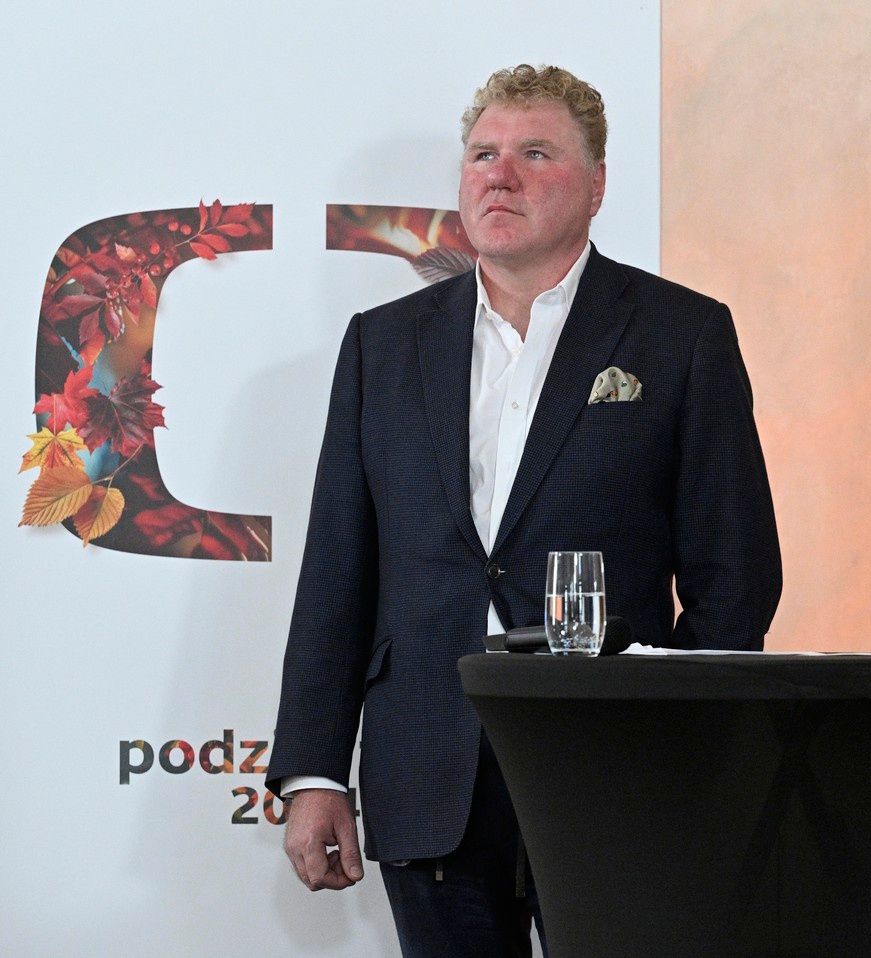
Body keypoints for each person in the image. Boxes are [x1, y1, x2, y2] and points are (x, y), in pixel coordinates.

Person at [266, 64, 782, 956]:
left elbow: (734, 573)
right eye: (482, 155)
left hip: (618, 776)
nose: (498, 176)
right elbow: (337, 572)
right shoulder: (383, 345)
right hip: (428, 770)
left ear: (597, 184)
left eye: (534, 153)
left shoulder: (682, 333)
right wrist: (314, 769)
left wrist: (682, 744)